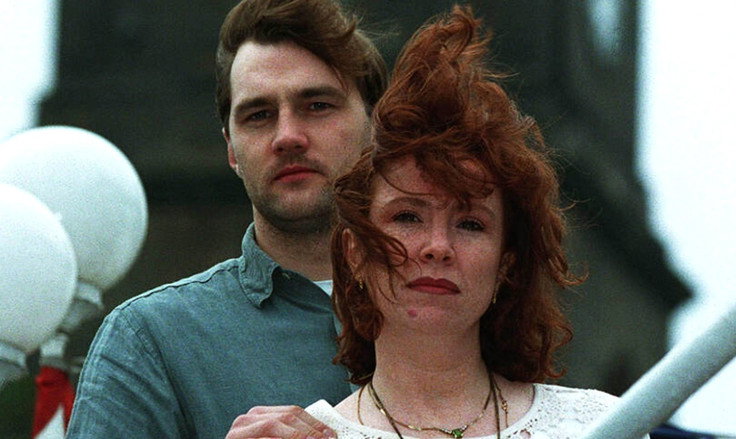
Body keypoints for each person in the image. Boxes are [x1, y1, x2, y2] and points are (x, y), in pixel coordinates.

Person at [230, 5, 649, 439]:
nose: (437, 246)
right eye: (407, 217)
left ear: (505, 263)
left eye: (470, 224)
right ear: (354, 254)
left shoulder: (605, 425)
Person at [65, 0, 387, 438]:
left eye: (317, 105)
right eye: (259, 115)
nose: (287, 136)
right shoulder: (149, 340)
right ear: (232, 150)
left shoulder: (459, 315)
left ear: (376, 127)